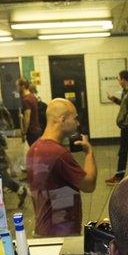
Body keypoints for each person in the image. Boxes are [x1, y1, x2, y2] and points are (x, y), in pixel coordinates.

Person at [26, 99, 96, 236]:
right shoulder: (58, 153)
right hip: (62, 233)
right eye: (75, 118)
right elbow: (89, 185)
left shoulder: (33, 149)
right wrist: (89, 153)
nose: (78, 123)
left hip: (43, 229)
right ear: (62, 119)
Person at [18, 78, 43, 145]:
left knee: (34, 153)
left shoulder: (26, 100)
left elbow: (27, 117)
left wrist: (24, 132)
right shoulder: (32, 97)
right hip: (37, 129)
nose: (16, 88)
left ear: (22, 86)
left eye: (17, 86)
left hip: (32, 132)